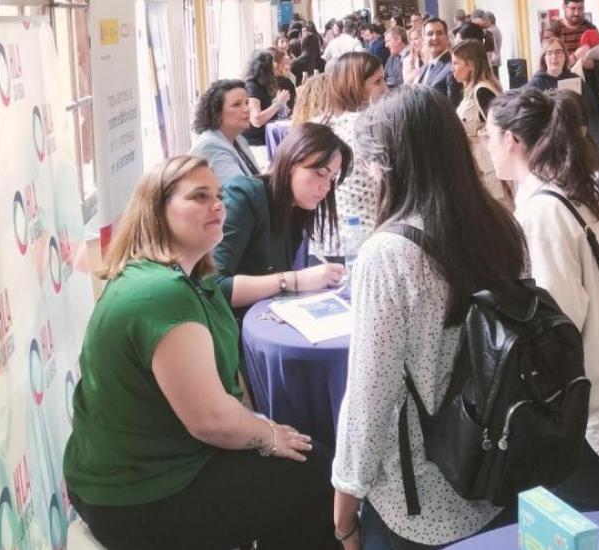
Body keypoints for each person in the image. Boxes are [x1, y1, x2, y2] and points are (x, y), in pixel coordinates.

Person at [63, 156, 336, 550]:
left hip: (144, 472)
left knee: (302, 461)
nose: (218, 205)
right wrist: (268, 434)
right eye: (199, 196)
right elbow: (211, 421)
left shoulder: (185, 281)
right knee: (316, 472)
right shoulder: (163, 293)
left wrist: (265, 431)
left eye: (219, 195)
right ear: (157, 212)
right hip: (137, 497)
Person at [332, 85, 526, 550]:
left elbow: (369, 398)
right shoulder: (501, 227)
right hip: (495, 475)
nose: (370, 172)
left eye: (372, 161)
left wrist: (343, 512)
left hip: (416, 498)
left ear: (393, 164)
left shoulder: (389, 254)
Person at [486, 88, 599, 511]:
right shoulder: (580, 190)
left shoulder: (543, 211)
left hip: (574, 407)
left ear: (512, 140)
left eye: (487, 135)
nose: (484, 145)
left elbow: (555, 322)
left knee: (584, 524)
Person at [213, 124, 349, 318]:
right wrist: (295, 280)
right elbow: (214, 287)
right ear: (292, 163)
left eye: (332, 178)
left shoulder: (296, 207)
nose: (326, 187)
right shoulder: (244, 196)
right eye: (320, 173)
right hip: (233, 330)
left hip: (264, 319)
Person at [311, 52, 387, 233]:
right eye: (377, 82)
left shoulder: (318, 123)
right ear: (355, 86)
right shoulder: (370, 125)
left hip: (327, 233)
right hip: (367, 231)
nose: (385, 88)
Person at [451, 39, 510, 209]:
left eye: (456, 63)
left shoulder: (482, 91)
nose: (452, 68)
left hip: (490, 171)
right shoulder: (470, 90)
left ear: (471, 65)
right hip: (478, 169)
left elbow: (500, 130)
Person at [189, 79, 262, 183]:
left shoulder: (238, 139)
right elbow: (241, 190)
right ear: (217, 113)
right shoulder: (210, 146)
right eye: (237, 104)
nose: (246, 109)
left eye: (246, 103)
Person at [242, 49, 291, 154]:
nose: (274, 66)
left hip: (265, 138)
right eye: (272, 63)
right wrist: (278, 104)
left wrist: (280, 109)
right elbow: (256, 120)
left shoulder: (263, 85)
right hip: (256, 143)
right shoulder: (252, 86)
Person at [416, 17, 463, 106]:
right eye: (430, 34)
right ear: (423, 40)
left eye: (439, 33)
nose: (434, 37)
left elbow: (453, 108)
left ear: (446, 37)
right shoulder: (425, 68)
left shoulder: (452, 68)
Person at [548, 0, 596, 64]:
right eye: (573, 8)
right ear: (564, 6)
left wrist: (593, 65)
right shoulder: (553, 32)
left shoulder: (591, 28)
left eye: (580, 8)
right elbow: (549, 66)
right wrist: (575, 57)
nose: (576, 13)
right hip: (564, 74)